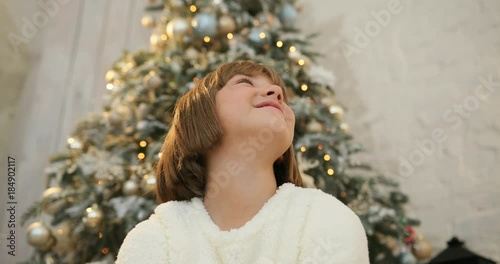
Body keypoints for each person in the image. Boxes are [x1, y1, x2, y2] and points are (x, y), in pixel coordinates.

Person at [116, 61, 369, 263]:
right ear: (201, 117)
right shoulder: (155, 239)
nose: (277, 92)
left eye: (282, 96)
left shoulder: (324, 219)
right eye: (245, 82)